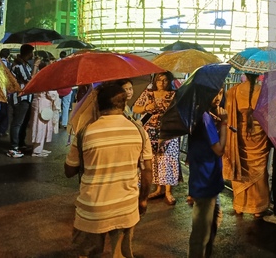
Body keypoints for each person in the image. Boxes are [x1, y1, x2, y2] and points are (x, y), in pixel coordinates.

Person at [64, 82, 152, 258]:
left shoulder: (85, 133)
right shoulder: (139, 131)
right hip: (126, 208)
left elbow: (69, 171)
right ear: (123, 104)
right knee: (121, 254)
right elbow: (147, 171)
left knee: (88, 253)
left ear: (98, 105)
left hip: (92, 209)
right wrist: (142, 199)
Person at [187, 87, 227, 258]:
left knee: (210, 225)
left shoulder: (203, 115)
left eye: (221, 92)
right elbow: (219, 150)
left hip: (208, 179)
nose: (218, 97)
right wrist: (224, 124)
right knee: (201, 234)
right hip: (205, 181)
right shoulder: (204, 117)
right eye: (214, 93)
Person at [223, 73, 270, 217]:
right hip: (258, 135)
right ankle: (258, 208)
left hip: (239, 136)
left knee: (240, 167)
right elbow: (269, 115)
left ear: (244, 74)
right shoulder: (264, 91)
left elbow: (227, 114)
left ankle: (239, 206)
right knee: (259, 172)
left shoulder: (233, 91)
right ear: (258, 75)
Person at [133, 71, 179, 205]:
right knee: (154, 160)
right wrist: (147, 107)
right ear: (155, 81)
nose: (161, 83)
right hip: (151, 131)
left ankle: (168, 191)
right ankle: (159, 188)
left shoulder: (174, 95)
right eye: (159, 80)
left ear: (169, 81)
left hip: (169, 131)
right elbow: (136, 108)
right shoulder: (148, 94)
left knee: (168, 159)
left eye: (165, 80)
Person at [7, 44, 40, 158]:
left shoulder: (25, 64)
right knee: (17, 123)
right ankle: (13, 148)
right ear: (28, 53)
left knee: (23, 123)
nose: (33, 55)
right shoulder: (19, 66)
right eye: (32, 52)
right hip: (20, 98)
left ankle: (20, 144)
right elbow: (30, 80)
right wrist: (35, 66)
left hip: (27, 98)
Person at [30, 61, 60, 157]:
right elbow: (51, 93)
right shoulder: (46, 77)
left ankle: (39, 148)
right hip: (43, 103)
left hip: (40, 102)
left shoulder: (38, 76)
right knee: (40, 126)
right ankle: (37, 150)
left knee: (40, 125)